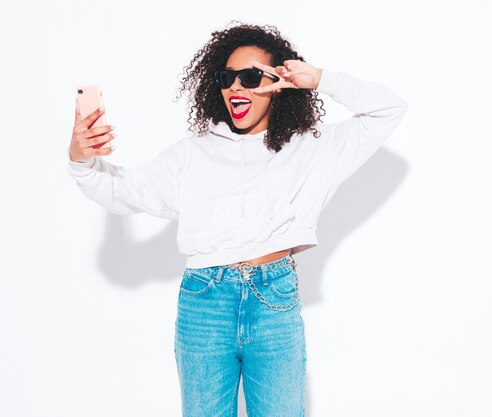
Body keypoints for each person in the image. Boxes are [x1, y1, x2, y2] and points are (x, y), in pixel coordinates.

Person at [67, 21, 407, 417]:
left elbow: (389, 109)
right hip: (204, 302)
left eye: (250, 77)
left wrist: (318, 78)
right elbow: (119, 190)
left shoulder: (314, 149)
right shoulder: (190, 156)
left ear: (277, 83)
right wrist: (82, 159)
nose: (236, 88)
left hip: (274, 300)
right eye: (227, 78)